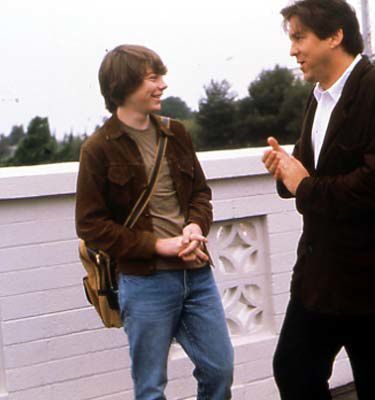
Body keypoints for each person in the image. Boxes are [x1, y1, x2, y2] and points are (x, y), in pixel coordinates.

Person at [262, 1, 375, 398]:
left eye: (300, 37)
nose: (292, 50)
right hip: (320, 276)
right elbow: (310, 174)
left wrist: (304, 186)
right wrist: (286, 170)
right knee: (294, 369)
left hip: (373, 278)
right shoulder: (318, 97)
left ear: (335, 36)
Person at [75, 44, 233, 400]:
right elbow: (90, 225)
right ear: (123, 85)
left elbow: (200, 194)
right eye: (153, 77)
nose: (162, 84)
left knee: (219, 370)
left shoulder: (176, 133)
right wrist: (157, 245)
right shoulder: (98, 149)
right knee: (150, 388)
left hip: (196, 274)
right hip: (144, 282)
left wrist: (194, 227)